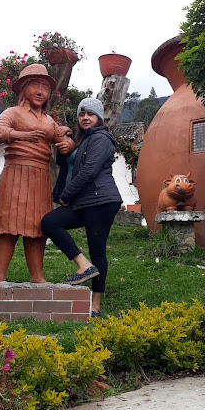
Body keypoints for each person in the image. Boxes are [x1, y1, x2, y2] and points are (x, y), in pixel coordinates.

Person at [0, 64, 74, 283]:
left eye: (44, 88)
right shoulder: (12, 113)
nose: (40, 91)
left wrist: (67, 144)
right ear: (24, 89)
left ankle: (37, 276)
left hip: (39, 176)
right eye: (35, 85)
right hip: (15, 172)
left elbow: (63, 138)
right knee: (6, 225)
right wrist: (21, 135)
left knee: (38, 225)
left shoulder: (48, 121)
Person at [41, 97, 122, 317]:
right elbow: (64, 161)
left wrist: (66, 195)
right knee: (50, 221)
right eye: (82, 114)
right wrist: (65, 137)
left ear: (99, 118)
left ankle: (95, 306)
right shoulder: (85, 140)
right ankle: (83, 265)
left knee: (98, 251)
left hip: (101, 201)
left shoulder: (102, 138)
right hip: (86, 202)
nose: (86, 118)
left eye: (91, 114)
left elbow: (89, 171)